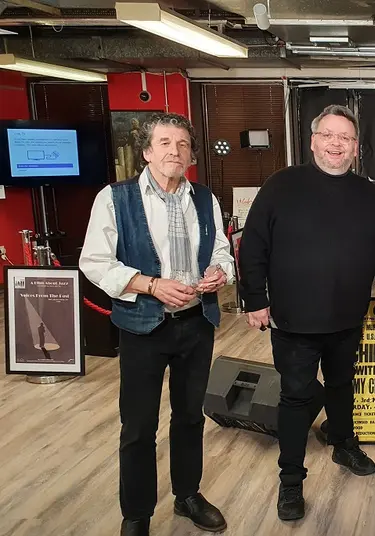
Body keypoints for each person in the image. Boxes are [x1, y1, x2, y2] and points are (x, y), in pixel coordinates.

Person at [239, 104, 375, 521]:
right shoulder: (280, 186)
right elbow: (253, 247)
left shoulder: (369, 194)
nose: (336, 144)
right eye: (328, 135)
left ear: (355, 147)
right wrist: (254, 299)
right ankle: (291, 481)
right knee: (295, 399)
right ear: (313, 141)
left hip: (348, 317)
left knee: (342, 386)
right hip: (293, 320)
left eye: (345, 138)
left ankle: (344, 444)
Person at [80, 113, 233, 536]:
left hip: (196, 324)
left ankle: (187, 495)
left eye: (182, 144)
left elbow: (221, 250)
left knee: (189, 418)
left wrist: (221, 272)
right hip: (143, 327)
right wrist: (150, 285)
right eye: (164, 142)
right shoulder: (114, 198)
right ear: (146, 152)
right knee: (138, 426)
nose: (174, 151)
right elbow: (94, 262)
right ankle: (137, 515)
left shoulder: (204, 198)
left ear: (190, 155)